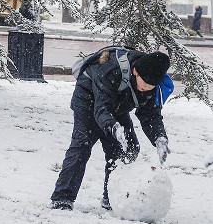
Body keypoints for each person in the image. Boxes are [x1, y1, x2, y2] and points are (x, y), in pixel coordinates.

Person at [50, 47, 171, 211]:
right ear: (135, 72)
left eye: (151, 87)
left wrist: (159, 138)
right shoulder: (110, 70)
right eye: (144, 86)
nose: (146, 90)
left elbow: (150, 115)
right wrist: (112, 127)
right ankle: (62, 198)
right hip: (88, 99)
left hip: (117, 105)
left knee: (127, 149)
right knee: (82, 146)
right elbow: (102, 108)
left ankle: (113, 196)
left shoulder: (151, 82)